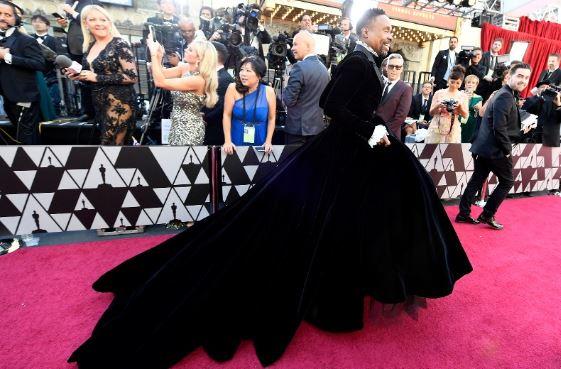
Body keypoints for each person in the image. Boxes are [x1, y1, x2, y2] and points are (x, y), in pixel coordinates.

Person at [68, 8, 472, 369]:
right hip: (343, 152)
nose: (390, 36)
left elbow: (338, 103)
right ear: (367, 32)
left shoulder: (364, 61)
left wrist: (372, 129)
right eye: (385, 30)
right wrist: (373, 131)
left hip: (348, 153)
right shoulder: (360, 62)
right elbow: (333, 106)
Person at [457, 63, 531, 230]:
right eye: (520, 76)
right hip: (495, 149)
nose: (523, 80)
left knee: (477, 179)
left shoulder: (504, 94)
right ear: (509, 76)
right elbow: (499, 127)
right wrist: (506, 150)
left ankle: (463, 213)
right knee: (507, 182)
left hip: (484, 147)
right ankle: (487, 214)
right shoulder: (505, 96)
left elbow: (494, 121)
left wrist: (521, 131)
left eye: (526, 77)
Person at [65, 5, 137, 145]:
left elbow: (131, 76)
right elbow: (92, 78)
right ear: (85, 24)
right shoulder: (90, 46)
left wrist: (95, 77)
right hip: (100, 107)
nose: (99, 23)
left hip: (119, 105)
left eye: (103, 20)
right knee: (118, 150)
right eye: (93, 19)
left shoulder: (119, 44)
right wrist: (80, 77)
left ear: (109, 23)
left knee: (110, 148)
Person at [147, 37, 218, 146]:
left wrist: (153, 53)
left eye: (190, 50)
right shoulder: (185, 68)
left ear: (199, 58)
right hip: (176, 125)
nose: (185, 50)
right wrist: (158, 56)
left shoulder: (198, 80)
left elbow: (160, 82)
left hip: (189, 129)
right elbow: (159, 73)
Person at [0, 1, 45, 144]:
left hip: (23, 97)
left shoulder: (26, 40)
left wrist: (7, 57)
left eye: (8, 15)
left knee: (26, 138)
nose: (3, 17)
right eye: (0, 14)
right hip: (6, 98)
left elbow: (39, 64)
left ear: (15, 19)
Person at [283, 30, 330, 145]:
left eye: (295, 44)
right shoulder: (324, 70)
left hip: (297, 132)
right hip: (317, 130)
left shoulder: (299, 67)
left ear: (307, 46)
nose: (292, 48)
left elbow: (288, 100)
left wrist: (285, 84)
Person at [223, 56, 276, 154]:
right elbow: (227, 115)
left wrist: (268, 141)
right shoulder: (232, 88)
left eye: (248, 71)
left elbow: (272, 118)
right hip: (237, 136)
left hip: (260, 137)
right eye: (242, 70)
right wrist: (227, 141)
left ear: (259, 76)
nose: (243, 74)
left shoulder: (269, 91)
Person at [31, 14, 65, 117]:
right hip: (34, 74)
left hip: (51, 74)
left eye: (41, 22)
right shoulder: (28, 39)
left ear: (47, 26)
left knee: (54, 100)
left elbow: (57, 57)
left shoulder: (54, 40)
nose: (37, 24)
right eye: (35, 21)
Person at [426, 65, 469, 143]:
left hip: (453, 129)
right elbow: (431, 113)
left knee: (449, 154)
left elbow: (465, 115)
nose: (454, 85)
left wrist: (459, 107)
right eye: (452, 82)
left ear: (461, 83)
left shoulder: (463, 96)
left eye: (457, 83)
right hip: (437, 126)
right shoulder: (439, 93)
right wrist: (439, 105)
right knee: (432, 152)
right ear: (448, 80)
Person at [203, 41, 234, 145]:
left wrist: (201, 118)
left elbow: (221, 108)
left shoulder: (225, 79)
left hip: (215, 133)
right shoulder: (213, 75)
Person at [375, 53, 412, 140]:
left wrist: (383, 132)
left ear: (401, 69)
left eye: (397, 67)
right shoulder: (380, 84)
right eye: (391, 66)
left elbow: (400, 117)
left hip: (390, 135)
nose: (394, 70)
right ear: (386, 67)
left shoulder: (406, 88)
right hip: (373, 132)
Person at [461, 74, 483, 143]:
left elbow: (480, 111)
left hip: (471, 123)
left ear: (476, 85)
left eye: (473, 83)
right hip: (459, 121)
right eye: (468, 82)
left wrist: (477, 108)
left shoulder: (478, 97)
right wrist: (464, 98)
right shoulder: (460, 94)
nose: (470, 84)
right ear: (465, 84)